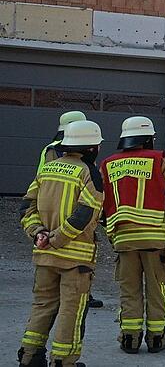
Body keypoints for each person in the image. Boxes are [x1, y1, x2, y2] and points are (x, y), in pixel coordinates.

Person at [100, 116, 165, 354]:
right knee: (156, 289)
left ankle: (129, 339)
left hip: (123, 240)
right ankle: (156, 339)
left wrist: (111, 232)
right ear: (149, 138)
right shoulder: (159, 160)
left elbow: (101, 204)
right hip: (155, 240)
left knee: (129, 290)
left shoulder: (108, 164)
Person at [18, 120, 104, 367]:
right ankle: (63, 361)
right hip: (75, 260)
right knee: (71, 311)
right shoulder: (89, 173)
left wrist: (39, 234)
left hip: (44, 255)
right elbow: (85, 214)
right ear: (91, 148)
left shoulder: (47, 169)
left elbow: (27, 207)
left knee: (42, 305)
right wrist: (56, 238)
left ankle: (29, 356)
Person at [35, 111, 105, 310]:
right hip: (68, 209)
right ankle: (80, 294)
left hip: (52, 207)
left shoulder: (51, 149)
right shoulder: (60, 150)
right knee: (74, 269)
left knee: (43, 300)